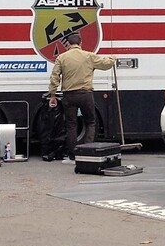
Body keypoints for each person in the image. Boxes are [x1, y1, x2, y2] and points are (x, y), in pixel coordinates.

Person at [48, 32, 116, 164]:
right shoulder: (88, 56)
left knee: (71, 125)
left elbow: (55, 77)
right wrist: (113, 59)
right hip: (85, 95)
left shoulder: (62, 57)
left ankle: (73, 155)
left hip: (69, 95)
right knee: (90, 122)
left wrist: (52, 95)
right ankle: (87, 153)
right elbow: (105, 64)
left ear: (67, 44)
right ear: (81, 43)